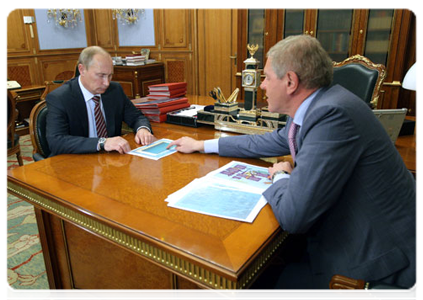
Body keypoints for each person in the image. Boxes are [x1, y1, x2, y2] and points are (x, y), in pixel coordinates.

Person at [168, 35, 419, 299]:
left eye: (265, 77)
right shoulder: (320, 104)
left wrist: (280, 178)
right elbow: (276, 140)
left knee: (250, 286)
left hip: (378, 264)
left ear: (290, 81)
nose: (261, 85)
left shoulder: (331, 116)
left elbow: (293, 216)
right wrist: (205, 146)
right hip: (352, 237)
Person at [46, 46, 155, 156]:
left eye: (110, 76)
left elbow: (136, 117)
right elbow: (56, 141)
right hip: (75, 161)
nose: (106, 83)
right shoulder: (60, 98)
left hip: (111, 159)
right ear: (82, 70)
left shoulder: (114, 90)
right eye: (101, 75)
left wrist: (142, 129)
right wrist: (101, 143)